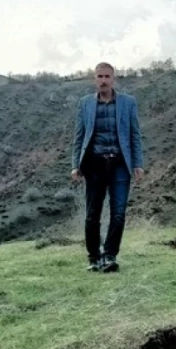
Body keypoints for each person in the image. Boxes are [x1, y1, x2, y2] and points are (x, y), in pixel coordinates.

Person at [71, 62, 145, 273]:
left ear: (113, 79)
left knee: (119, 212)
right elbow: (79, 136)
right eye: (99, 76)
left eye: (107, 76)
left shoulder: (128, 103)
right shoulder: (85, 103)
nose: (103, 80)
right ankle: (94, 257)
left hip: (120, 164)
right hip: (94, 164)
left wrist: (138, 163)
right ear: (94, 79)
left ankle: (110, 255)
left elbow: (134, 135)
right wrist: (75, 165)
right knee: (92, 213)